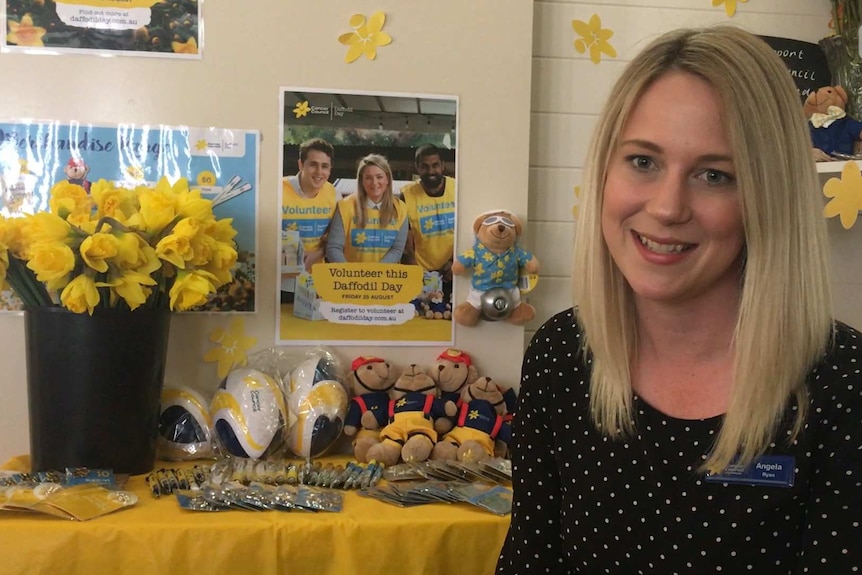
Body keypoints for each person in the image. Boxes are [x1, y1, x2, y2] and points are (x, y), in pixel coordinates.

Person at [497, 25, 862, 574]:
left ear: (768, 197)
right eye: (643, 161)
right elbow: (530, 557)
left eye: (714, 175)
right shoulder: (561, 355)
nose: (668, 207)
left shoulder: (843, 384)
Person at [280, 138, 338, 303]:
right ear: (301, 165)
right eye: (313, 164)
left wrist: (317, 254)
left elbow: (334, 236)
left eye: (325, 166)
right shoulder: (278, 190)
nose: (319, 172)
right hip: (280, 284)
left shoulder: (334, 194)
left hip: (316, 283)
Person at [326, 154, 408, 263]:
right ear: (361, 181)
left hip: (385, 277)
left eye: (379, 177)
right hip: (350, 277)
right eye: (368, 178)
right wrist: (349, 275)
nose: (374, 183)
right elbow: (334, 248)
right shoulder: (344, 206)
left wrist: (375, 274)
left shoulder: (400, 208)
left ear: (387, 179)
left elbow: (397, 249)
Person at [400, 144, 456, 302]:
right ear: (417, 168)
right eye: (424, 166)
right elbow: (406, 242)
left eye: (435, 165)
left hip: (454, 271)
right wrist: (416, 273)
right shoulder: (406, 195)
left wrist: (455, 262)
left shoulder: (458, 189)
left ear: (442, 166)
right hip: (422, 275)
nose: (431, 171)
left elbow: (468, 230)